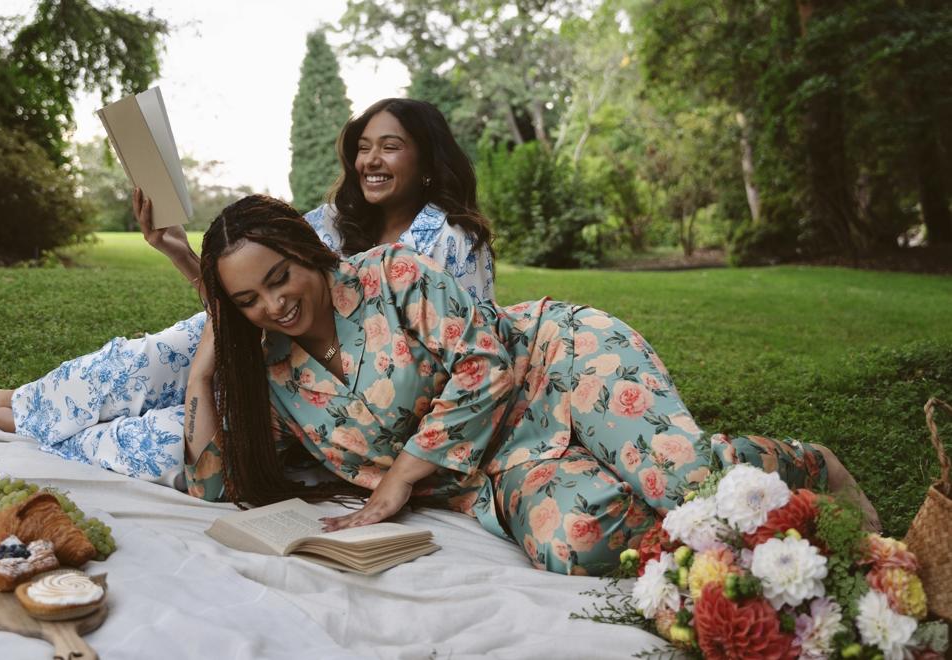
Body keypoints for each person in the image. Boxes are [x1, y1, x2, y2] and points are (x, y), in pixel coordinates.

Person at [182, 194, 880, 576]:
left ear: (306, 254)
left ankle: (805, 463)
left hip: (555, 364)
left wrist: (398, 477)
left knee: (678, 480)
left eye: (280, 279)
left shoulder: (389, 275)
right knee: (575, 542)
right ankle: (676, 507)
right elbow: (212, 488)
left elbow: (487, 364)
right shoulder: (270, 377)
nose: (273, 306)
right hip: (498, 468)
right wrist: (203, 372)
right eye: (246, 301)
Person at [0, 99, 496, 486]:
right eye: (363, 148)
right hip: (263, 343)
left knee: (169, 440)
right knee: (157, 355)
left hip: (332, 399)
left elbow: (466, 353)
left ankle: (43, 420)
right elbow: (251, 296)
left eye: (391, 147)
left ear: (426, 159)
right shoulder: (332, 223)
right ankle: (28, 402)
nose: (370, 161)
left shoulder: (450, 242)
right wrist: (180, 252)